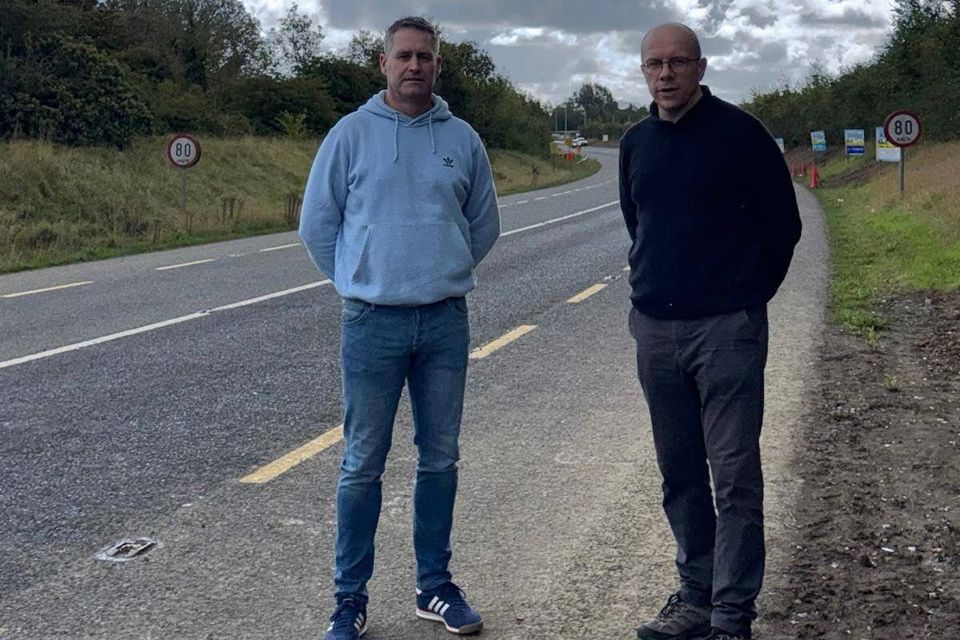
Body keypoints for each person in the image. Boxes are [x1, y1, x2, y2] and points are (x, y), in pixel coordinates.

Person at [298, 16, 500, 640]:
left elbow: (483, 224)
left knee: (440, 459)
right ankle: (348, 600)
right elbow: (318, 224)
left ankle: (434, 587)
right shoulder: (350, 135)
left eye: (426, 57)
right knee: (362, 463)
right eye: (403, 56)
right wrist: (361, 279)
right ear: (383, 64)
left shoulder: (462, 138)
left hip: (443, 322)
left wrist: (440, 267)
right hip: (371, 325)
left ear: (439, 66)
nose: (415, 65)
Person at [619, 23, 802, 640]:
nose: (665, 74)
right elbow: (638, 223)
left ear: (701, 67)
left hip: (727, 329)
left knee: (734, 475)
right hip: (655, 330)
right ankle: (695, 595)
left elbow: (784, 227)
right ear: (643, 72)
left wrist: (746, 296)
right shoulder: (635, 142)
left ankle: (731, 617)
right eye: (654, 64)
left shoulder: (741, 135)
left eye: (677, 62)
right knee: (680, 474)